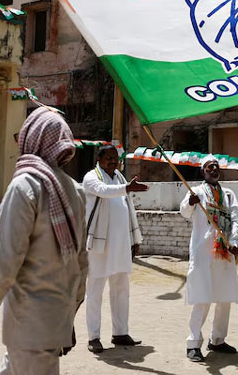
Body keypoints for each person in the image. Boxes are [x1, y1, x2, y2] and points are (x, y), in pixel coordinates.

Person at [0, 107, 88, 374]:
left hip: (29, 326)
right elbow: (81, 264)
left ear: (32, 139)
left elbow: (4, 265)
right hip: (50, 321)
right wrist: (68, 317)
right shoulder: (75, 190)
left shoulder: (25, 187)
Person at [83, 144, 148, 353]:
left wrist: (135, 239)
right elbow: (103, 192)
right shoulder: (91, 177)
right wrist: (127, 188)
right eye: (108, 158)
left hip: (121, 244)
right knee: (95, 291)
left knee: (121, 289)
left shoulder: (120, 178)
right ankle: (93, 337)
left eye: (115, 158)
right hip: (99, 246)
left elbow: (130, 210)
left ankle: (120, 333)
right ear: (99, 160)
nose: (113, 161)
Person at [180, 155, 238, 363]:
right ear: (202, 172)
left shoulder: (228, 193)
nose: (214, 169)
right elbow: (184, 212)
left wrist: (233, 241)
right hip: (203, 252)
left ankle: (217, 340)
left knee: (224, 297)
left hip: (225, 251)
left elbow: (236, 217)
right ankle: (193, 343)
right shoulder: (196, 192)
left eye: (216, 167)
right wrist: (190, 203)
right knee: (202, 297)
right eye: (209, 167)